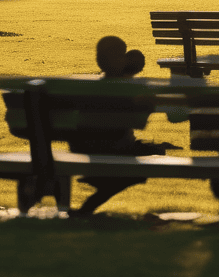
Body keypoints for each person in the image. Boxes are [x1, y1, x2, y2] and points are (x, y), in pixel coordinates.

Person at [67, 38, 167, 216]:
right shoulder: (123, 91)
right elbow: (138, 122)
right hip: (114, 151)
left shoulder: (87, 87)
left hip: (82, 151)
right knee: (155, 154)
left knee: (150, 151)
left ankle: (90, 204)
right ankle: (95, 199)